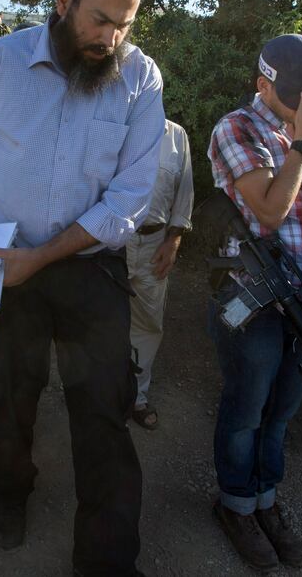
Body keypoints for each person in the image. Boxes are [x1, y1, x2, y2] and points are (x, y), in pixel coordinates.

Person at [0, 0, 164, 576]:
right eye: (100, 19)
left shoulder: (140, 77)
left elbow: (128, 199)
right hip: (8, 262)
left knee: (103, 413)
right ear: (63, 1)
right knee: (9, 396)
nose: (112, 38)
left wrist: (45, 257)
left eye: (125, 24)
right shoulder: (2, 62)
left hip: (90, 267)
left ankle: (107, 558)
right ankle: (11, 495)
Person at [207, 34, 302, 571]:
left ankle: (266, 500)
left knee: (281, 413)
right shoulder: (236, 128)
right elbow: (268, 213)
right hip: (254, 301)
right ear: (263, 83)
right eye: (292, 94)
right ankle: (236, 505)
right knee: (246, 411)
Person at [128, 119, 193, 429]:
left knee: (148, 324)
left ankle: (136, 399)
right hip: (114, 242)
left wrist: (175, 238)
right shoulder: (113, 125)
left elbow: (184, 194)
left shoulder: (176, 135)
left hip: (156, 244)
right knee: (102, 322)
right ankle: (101, 397)